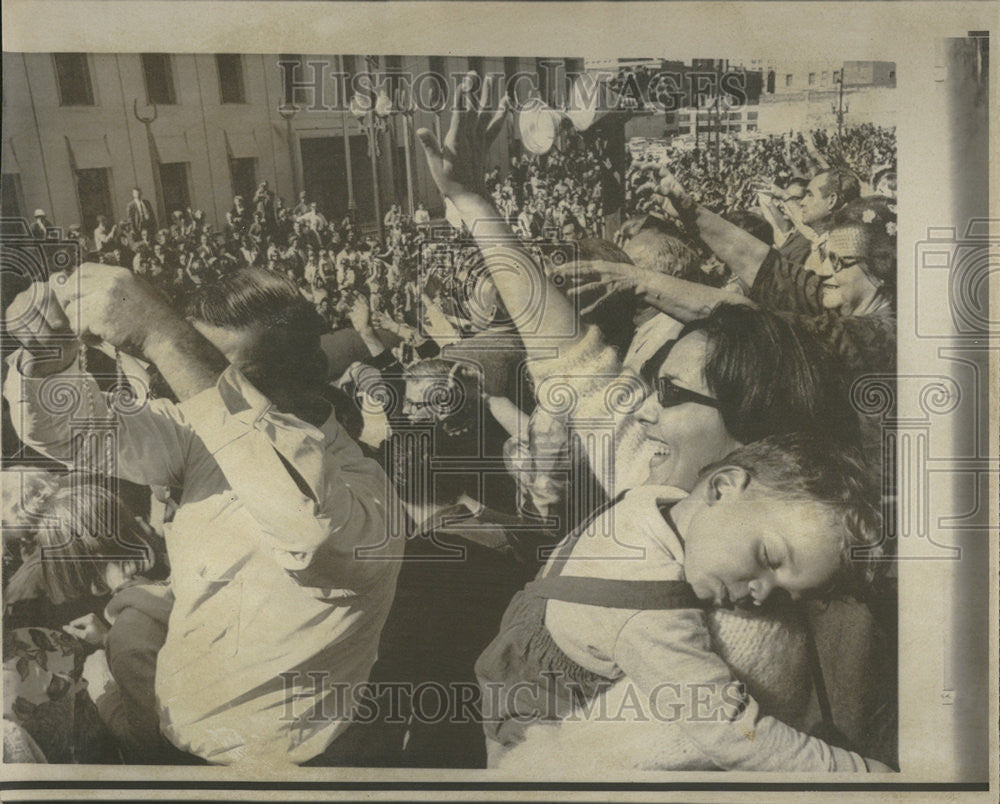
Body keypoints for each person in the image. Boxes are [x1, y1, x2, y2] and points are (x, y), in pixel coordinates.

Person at [4, 266, 403, 765]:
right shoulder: (198, 439)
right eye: (197, 373)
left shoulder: (366, 494)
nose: (203, 393)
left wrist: (163, 336)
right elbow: (74, 433)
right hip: (180, 746)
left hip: (286, 773)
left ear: (306, 369)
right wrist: (52, 360)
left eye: (227, 377)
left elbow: (310, 534)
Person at [476, 433, 888, 772]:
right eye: (770, 559)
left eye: (785, 593)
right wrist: (861, 773)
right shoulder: (649, 610)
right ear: (723, 487)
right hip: (535, 714)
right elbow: (731, 734)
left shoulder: (658, 498)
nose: (762, 595)